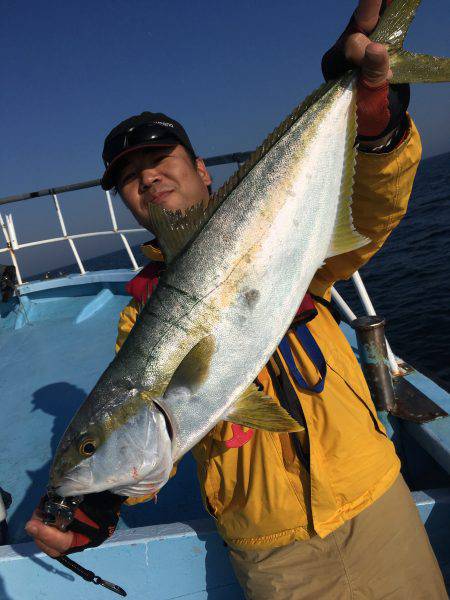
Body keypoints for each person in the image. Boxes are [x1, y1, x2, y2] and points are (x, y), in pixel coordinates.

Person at [26, 1, 447, 597]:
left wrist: (371, 108)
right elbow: (146, 435)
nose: (147, 178)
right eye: (129, 176)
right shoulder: (138, 318)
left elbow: (372, 207)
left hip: (373, 499)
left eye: (159, 160)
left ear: (201, 169)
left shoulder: (289, 240)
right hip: (270, 548)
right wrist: (90, 506)